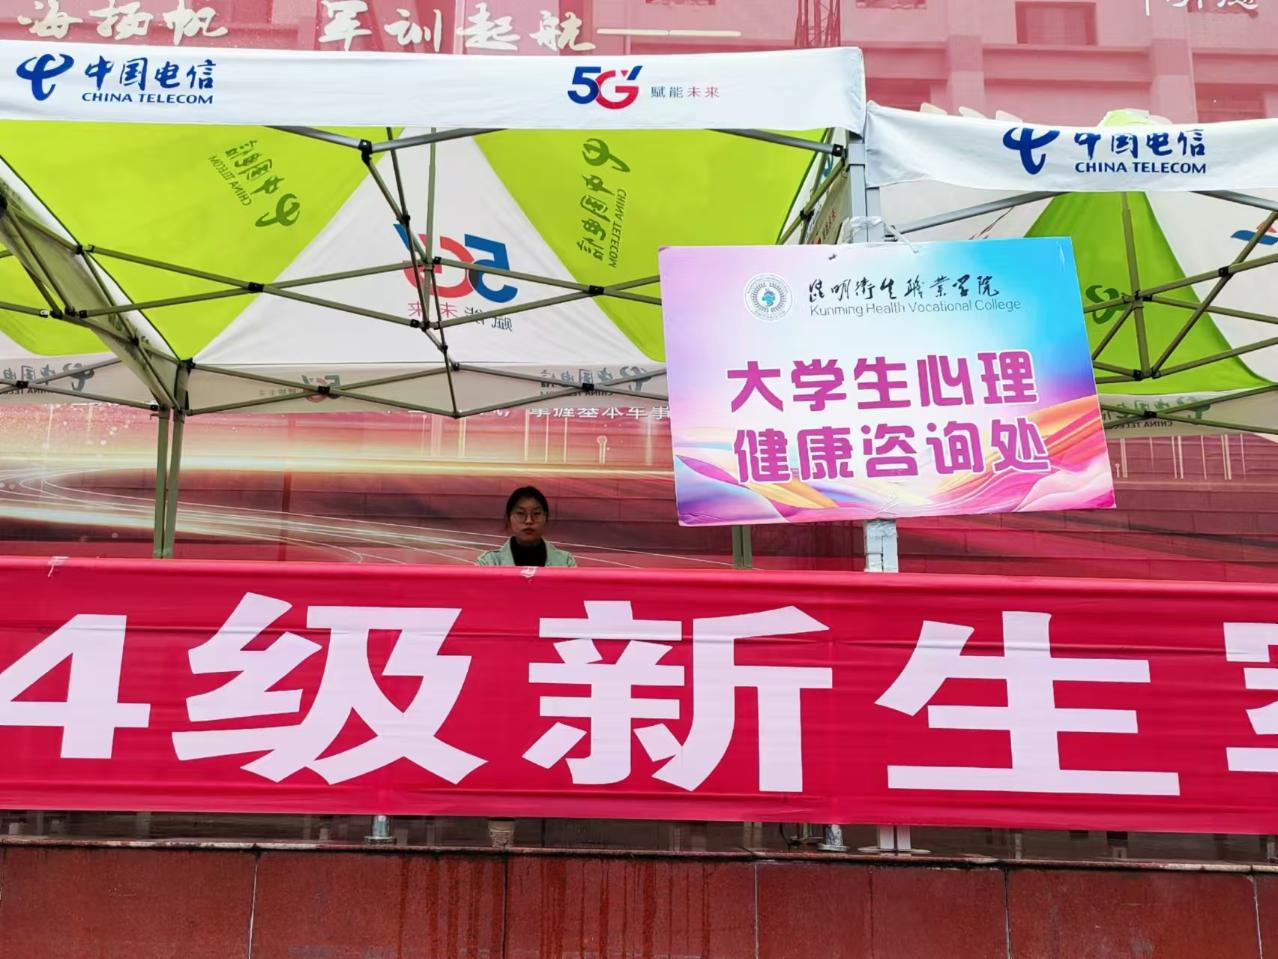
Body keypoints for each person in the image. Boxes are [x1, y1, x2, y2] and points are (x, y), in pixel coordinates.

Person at [476, 486, 577, 567]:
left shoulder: (565, 561)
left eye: (536, 514)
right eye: (521, 513)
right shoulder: (488, 562)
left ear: (545, 518)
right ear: (509, 518)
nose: (529, 521)